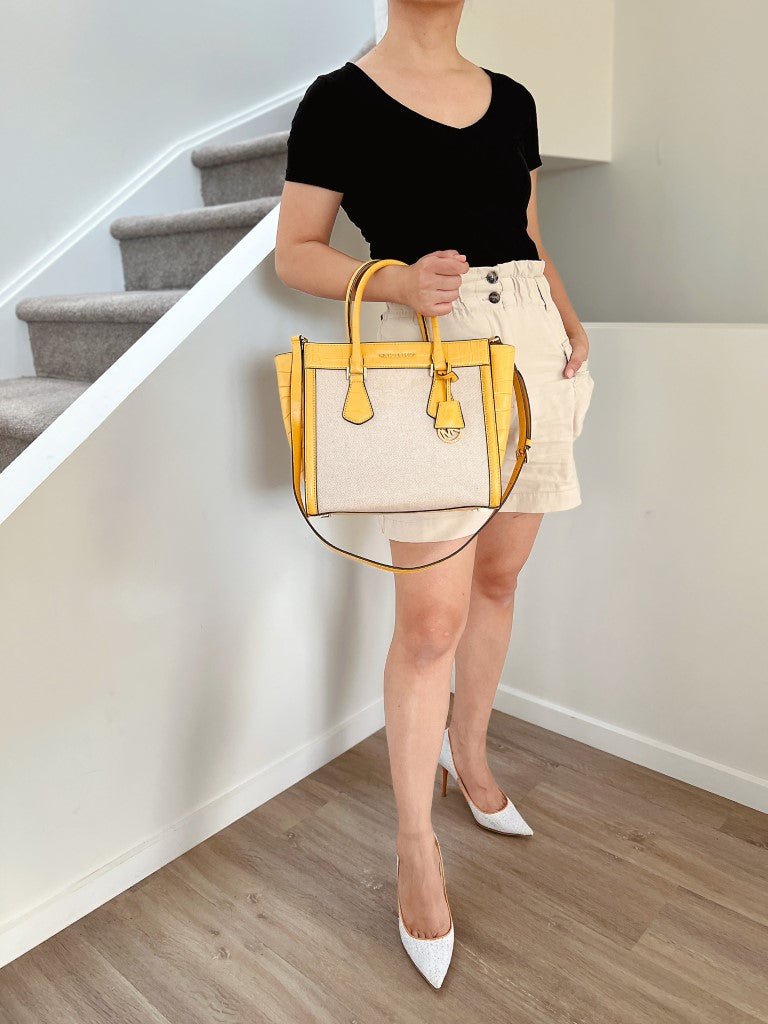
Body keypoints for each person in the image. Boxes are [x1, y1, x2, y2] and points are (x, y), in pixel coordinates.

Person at [275, 0, 595, 990]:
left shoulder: (515, 100)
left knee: (500, 582)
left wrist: (570, 319)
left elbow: (528, 229)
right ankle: (416, 845)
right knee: (427, 627)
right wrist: (394, 282)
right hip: (431, 356)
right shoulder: (338, 101)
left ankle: (471, 753)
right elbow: (296, 249)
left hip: (536, 344)